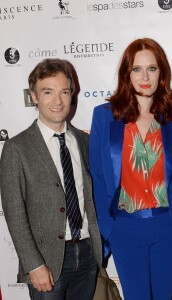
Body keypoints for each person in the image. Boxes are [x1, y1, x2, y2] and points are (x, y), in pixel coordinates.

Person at [89, 38, 172, 300]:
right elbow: (98, 178)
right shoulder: (105, 116)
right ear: (127, 73)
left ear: (162, 73)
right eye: (137, 69)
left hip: (167, 227)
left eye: (152, 68)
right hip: (125, 227)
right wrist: (109, 228)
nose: (145, 76)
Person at [0, 58, 102, 300]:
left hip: (87, 255)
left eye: (64, 92)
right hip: (46, 262)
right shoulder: (17, 148)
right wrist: (34, 265)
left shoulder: (85, 142)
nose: (58, 101)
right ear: (34, 96)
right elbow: (14, 213)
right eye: (48, 92)